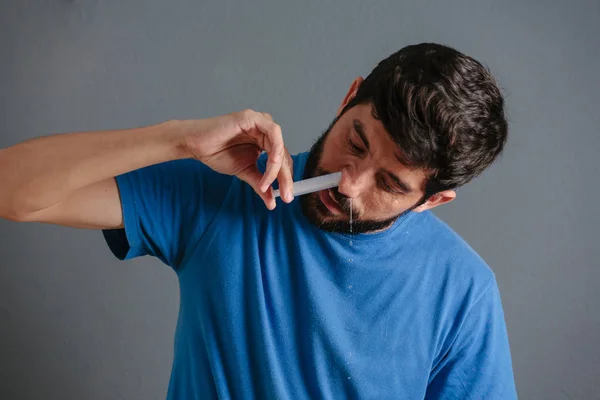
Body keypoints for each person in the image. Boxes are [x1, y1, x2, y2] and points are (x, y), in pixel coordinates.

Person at [0, 42, 518, 399]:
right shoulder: (227, 190)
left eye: (390, 185)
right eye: (354, 143)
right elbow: (11, 191)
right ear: (346, 99)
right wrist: (179, 139)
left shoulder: (464, 292)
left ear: (432, 201)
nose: (349, 183)